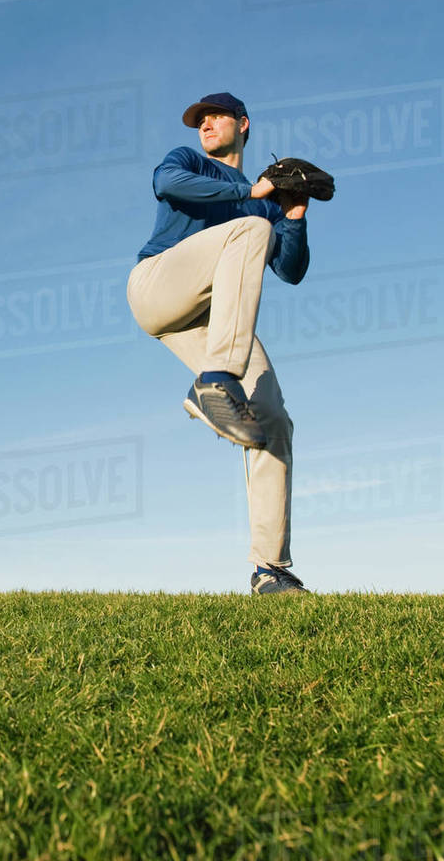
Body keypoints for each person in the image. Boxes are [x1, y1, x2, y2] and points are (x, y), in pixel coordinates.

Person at [126, 92, 311, 595]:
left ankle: (270, 570)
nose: (205, 125)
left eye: (216, 116)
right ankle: (214, 381)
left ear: (243, 124)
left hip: (210, 320)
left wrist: (293, 213)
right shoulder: (189, 162)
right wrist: (256, 193)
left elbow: (290, 271)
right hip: (157, 286)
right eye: (199, 120)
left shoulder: (266, 203)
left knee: (271, 413)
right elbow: (166, 183)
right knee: (248, 227)